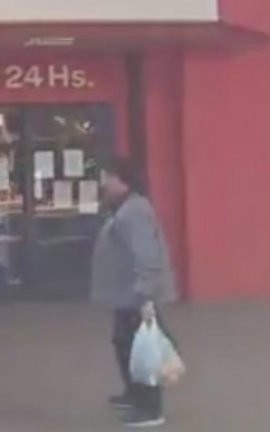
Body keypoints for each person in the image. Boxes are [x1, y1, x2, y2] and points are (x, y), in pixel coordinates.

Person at [90, 158, 178, 428]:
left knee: (143, 351)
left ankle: (150, 408)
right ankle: (134, 394)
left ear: (123, 181)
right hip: (125, 296)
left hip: (137, 297)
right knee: (124, 345)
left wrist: (145, 294)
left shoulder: (134, 211)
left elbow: (147, 256)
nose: (103, 182)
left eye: (108, 176)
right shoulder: (123, 209)